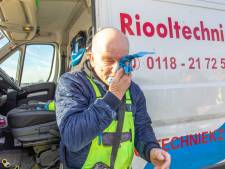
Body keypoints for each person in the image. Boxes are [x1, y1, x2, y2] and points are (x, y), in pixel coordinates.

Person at [55, 27, 171, 169]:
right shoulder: (72, 83)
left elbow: (141, 128)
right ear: (92, 58)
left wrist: (151, 150)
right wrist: (114, 96)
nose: (117, 69)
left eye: (124, 60)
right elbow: (72, 138)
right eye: (108, 60)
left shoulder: (134, 90)